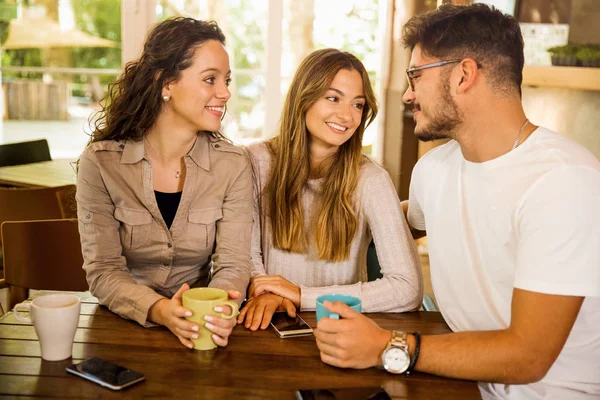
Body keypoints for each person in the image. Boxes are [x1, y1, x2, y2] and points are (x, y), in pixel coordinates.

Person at [313, 4, 600, 400]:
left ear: (464, 74)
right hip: (458, 383)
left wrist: (387, 346)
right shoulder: (434, 170)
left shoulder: (564, 182)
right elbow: (396, 224)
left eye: (415, 75)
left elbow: (528, 357)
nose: (408, 94)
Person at [76, 17, 253, 349]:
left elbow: (233, 262)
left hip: (201, 329)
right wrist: (159, 310)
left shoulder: (234, 165)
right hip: (122, 329)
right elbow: (103, 270)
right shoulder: (101, 163)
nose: (225, 92)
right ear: (165, 83)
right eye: (210, 79)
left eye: (226, 80)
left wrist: (221, 308)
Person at [237, 48, 423, 331]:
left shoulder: (371, 179)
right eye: (333, 98)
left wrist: (301, 296)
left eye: (357, 105)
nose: (346, 116)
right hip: (262, 322)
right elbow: (244, 253)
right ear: (304, 98)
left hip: (341, 331)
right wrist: (266, 291)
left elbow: (408, 289)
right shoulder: (254, 162)